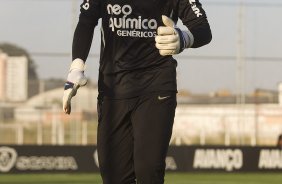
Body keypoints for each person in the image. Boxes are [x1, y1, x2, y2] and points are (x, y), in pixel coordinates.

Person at [63, 0, 212, 183]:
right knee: (113, 177)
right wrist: (76, 67)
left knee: (148, 170)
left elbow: (203, 29)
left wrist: (183, 39)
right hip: (113, 90)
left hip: (156, 86)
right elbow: (86, 20)